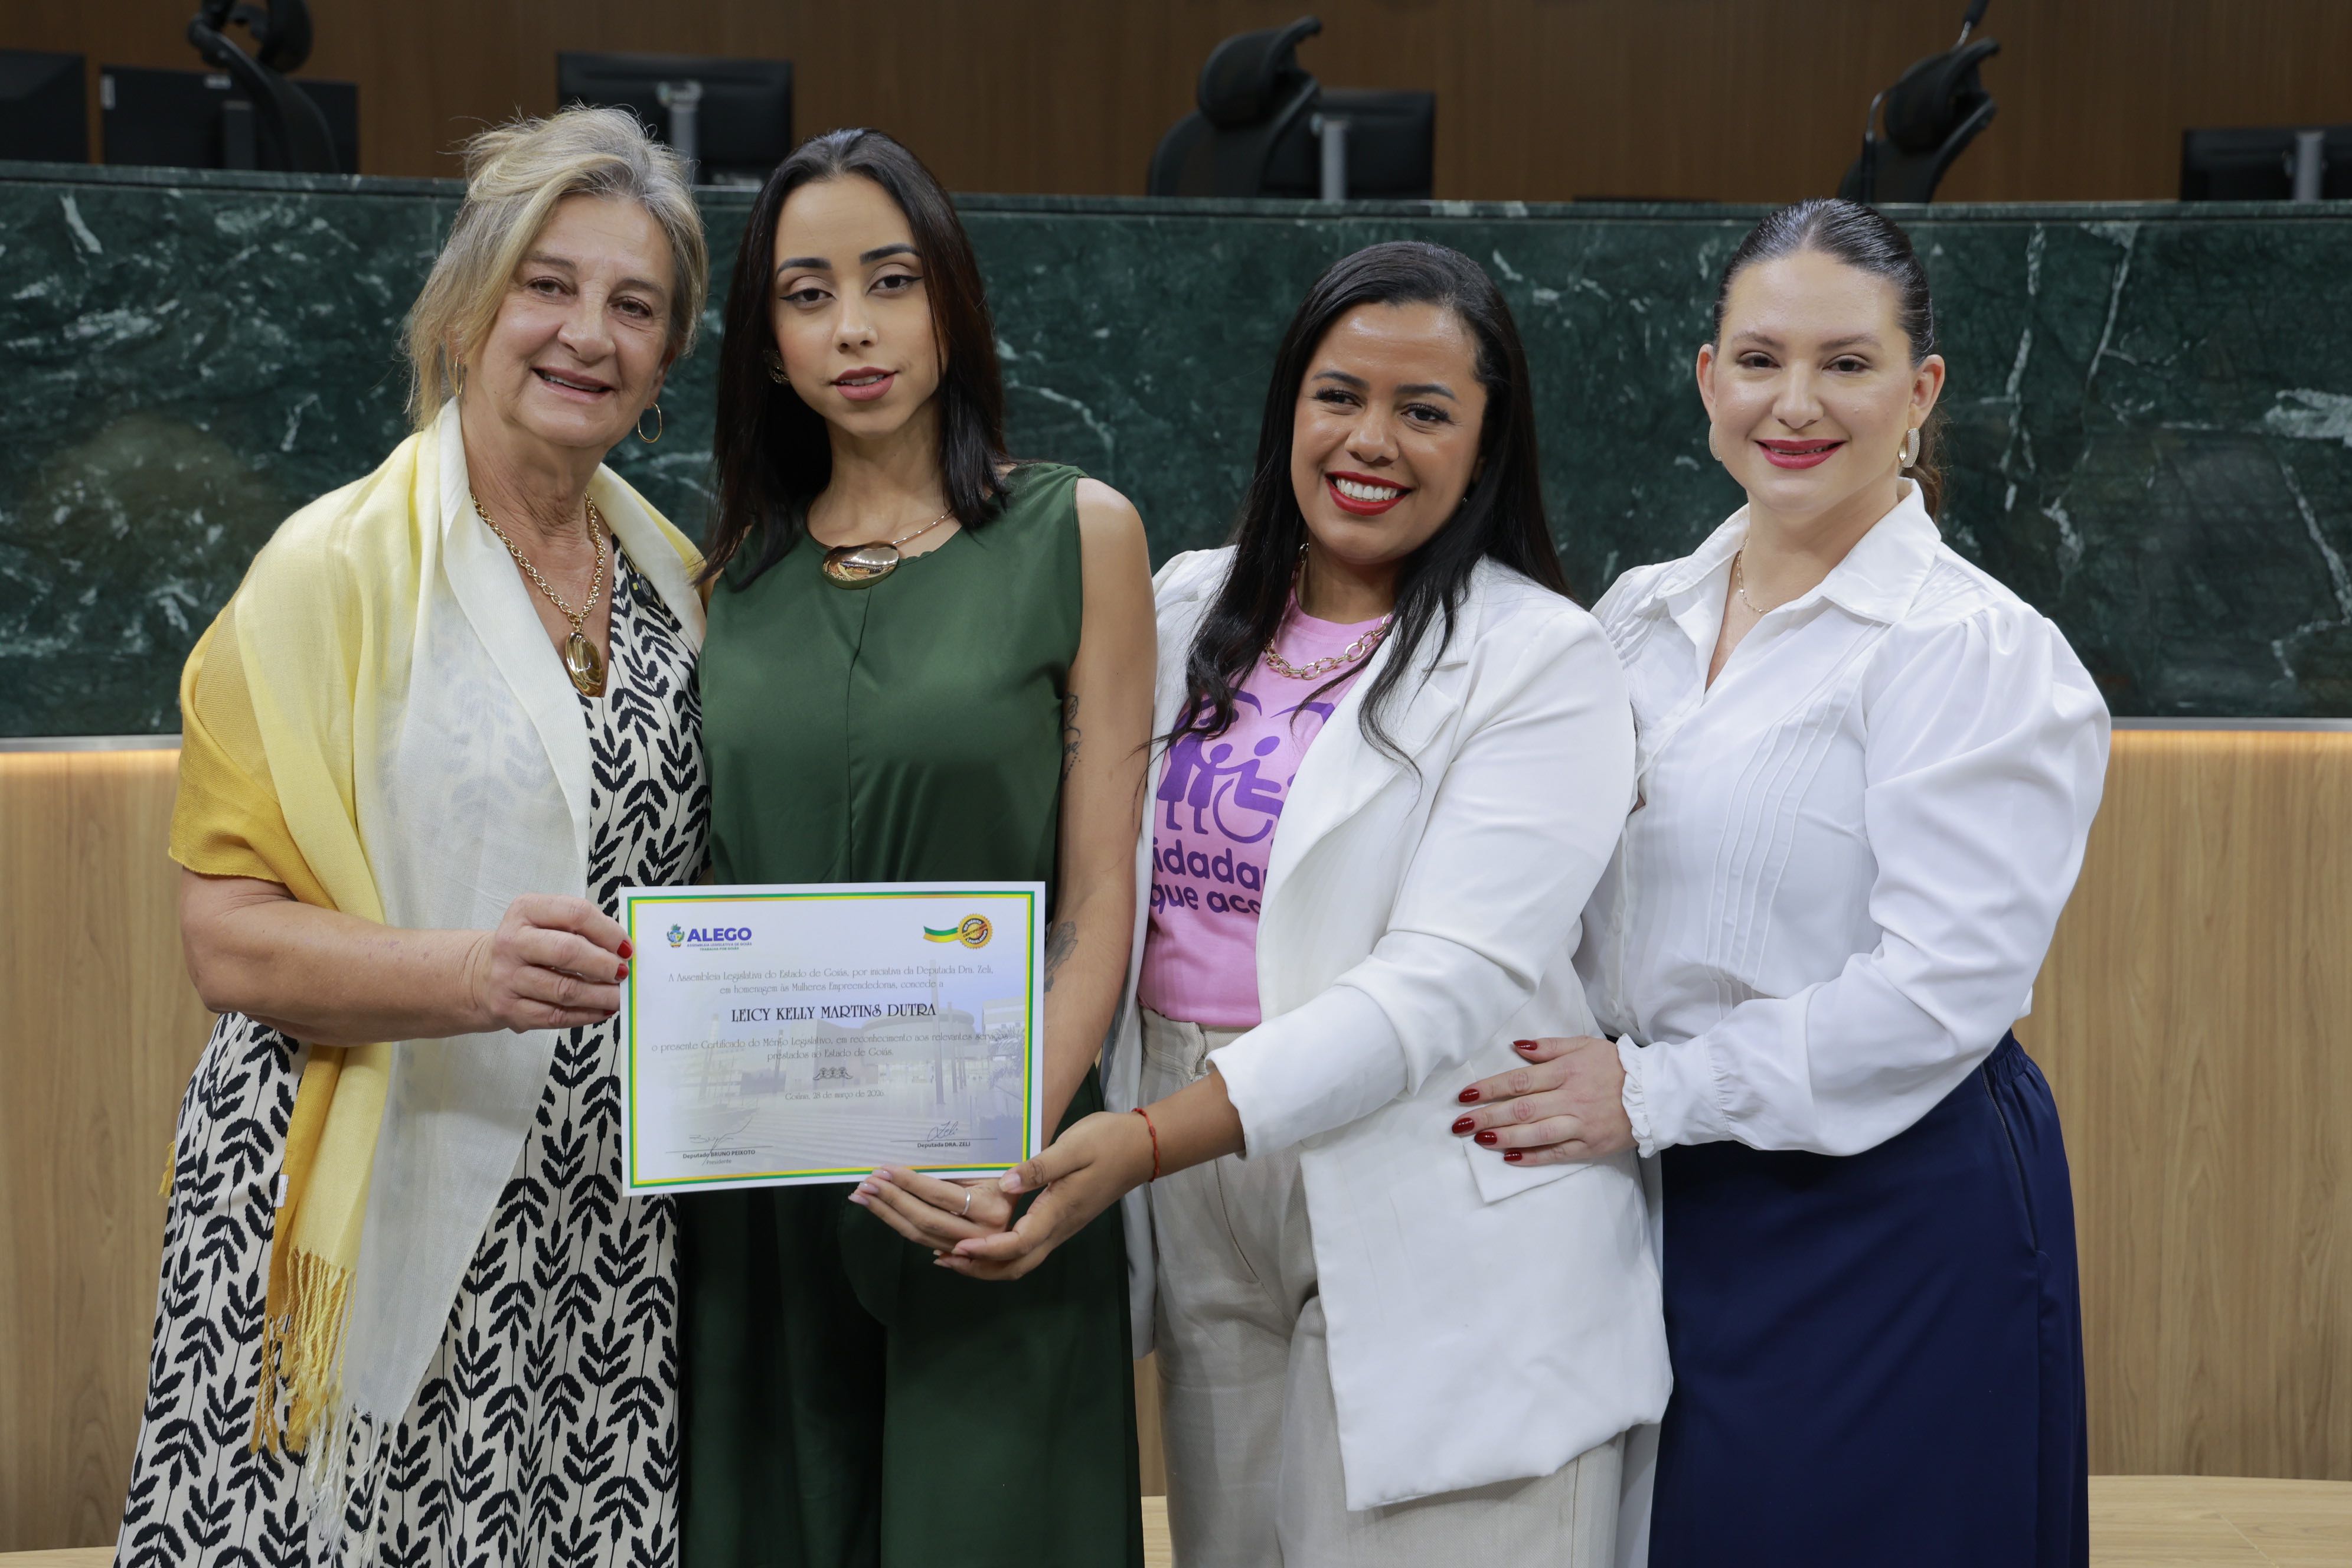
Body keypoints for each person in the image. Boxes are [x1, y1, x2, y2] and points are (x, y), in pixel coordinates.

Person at [891, 241, 1669, 1567]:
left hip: (1416, 1167)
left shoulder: (1546, 657)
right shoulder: (1184, 601)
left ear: (1486, 447)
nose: (1371, 441)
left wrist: (1148, 1138)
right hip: (1195, 1181)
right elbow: (1082, 882)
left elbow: (1438, 985)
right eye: (1339, 396)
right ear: (1288, 408)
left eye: (1425, 411)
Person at [1459, 198, 2108, 1567]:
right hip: (1649, 1190)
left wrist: (1649, 1092)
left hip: (1885, 1202)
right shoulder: (1634, 614)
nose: (1795, 403)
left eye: (1847, 363)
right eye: (1759, 360)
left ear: (1920, 392)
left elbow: (1939, 992)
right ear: (1710, 379)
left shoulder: (1973, 649)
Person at [115, 107, 711, 1566]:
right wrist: (469, 974)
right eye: (547, 284)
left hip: (595, 1231)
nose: (588, 334)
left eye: (634, 305)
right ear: (465, 308)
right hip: (361, 1190)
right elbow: (227, 940)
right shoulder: (325, 575)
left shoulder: (683, 584)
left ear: (668, 356)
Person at [677, 129, 1157, 1568]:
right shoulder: (724, 576)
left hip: (993, 1165)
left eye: (892, 281)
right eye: (807, 293)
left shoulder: (1081, 532)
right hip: (763, 1182)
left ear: (952, 299)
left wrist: (1006, 1141)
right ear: (766, 343)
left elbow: (1100, 896)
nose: (855, 327)